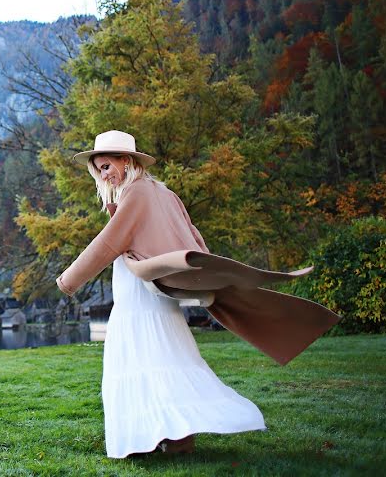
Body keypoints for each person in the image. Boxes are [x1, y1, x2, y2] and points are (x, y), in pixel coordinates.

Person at [55, 130, 267, 458]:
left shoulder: (137, 194)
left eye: (107, 165)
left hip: (142, 295)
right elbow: (192, 233)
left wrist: (68, 281)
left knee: (145, 358)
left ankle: (150, 440)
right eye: (98, 168)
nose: (103, 173)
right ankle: (171, 438)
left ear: (127, 161)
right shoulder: (159, 192)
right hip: (153, 292)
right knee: (162, 357)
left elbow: (108, 243)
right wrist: (202, 270)